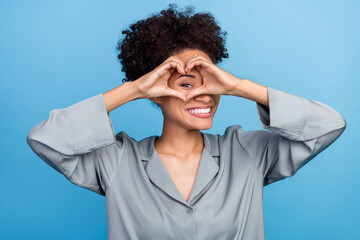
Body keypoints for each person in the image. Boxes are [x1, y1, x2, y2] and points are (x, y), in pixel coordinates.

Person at [26, 3, 346, 240]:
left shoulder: (247, 152)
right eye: (187, 84)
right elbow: (45, 139)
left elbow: (328, 124)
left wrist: (238, 86)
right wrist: (133, 89)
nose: (205, 96)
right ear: (156, 92)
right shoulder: (116, 160)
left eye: (210, 83)